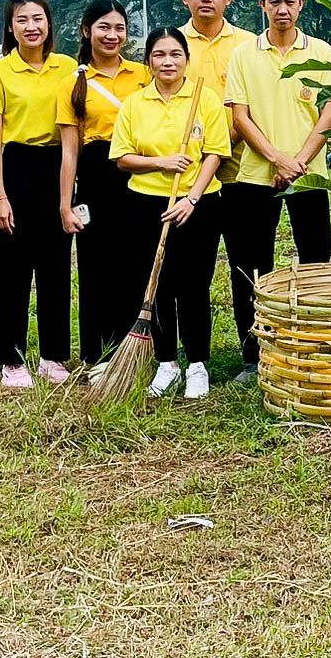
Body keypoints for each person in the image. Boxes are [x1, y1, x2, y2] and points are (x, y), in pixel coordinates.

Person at [224, 0, 331, 381]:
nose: (282, 10)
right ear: (261, 5)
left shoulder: (322, 52)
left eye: (290, 1)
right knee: (251, 266)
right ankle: (252, 354)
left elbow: (330, 113)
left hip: (309, 177)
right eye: (274, 2)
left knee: (316, 264)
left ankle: (312, 344)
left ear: (301, 5)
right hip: (254, 177)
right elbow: (240, 116)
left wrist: (297, 163)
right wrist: (277, 159)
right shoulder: (243, 54)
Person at [111, 27, 230, 400]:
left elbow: (215, 153)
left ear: (186, 60)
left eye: (175, 55)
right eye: (159, 55)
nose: (168, 62)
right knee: (156, 285)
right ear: (148, 61)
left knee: (194, 286)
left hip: (198, 204)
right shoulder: (135, 103)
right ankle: (166, 363)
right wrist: (162, 162)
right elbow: (122, 158)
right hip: (146, 204)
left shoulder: (204, 98)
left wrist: (191, 199)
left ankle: (197, 364)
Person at [0, 0, 77, 389]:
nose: (31, 27)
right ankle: (12, 359)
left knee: (56, 265)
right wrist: (0, 195)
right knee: (14, 269)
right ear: (10, 27)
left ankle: (53, 355)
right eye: (22, 20)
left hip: (59, 166)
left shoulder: (68, 68)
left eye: (38, 18)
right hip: (17, 166)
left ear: (49, 23)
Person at [56, 0, 151, 373]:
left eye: (119, 29)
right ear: (86, 31)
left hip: (141, 176)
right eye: (104, 28)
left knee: (137, 265)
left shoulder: (143, 74)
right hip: (95, 179)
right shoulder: (73, 83)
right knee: (96, 268)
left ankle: (138, 354)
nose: (112, 36)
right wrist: (66, 204)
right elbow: (69, 151)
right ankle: (99, 355)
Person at [177, 0, 257, 275]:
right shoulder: (172, 47)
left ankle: (249, 326)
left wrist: (222, 145)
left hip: (243, 173)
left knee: (247, 268)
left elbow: (257, 106)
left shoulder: (250, 45)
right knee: (193, 273)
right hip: (191, 178)